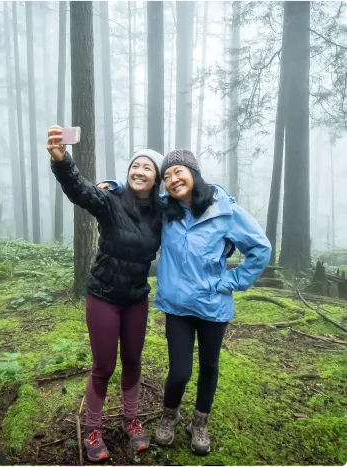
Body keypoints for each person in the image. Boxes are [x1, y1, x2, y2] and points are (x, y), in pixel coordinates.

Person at [98, 149, 271, 456]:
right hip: (178, 306)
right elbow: (140, 192)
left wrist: (231, 282)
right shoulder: (166, 209)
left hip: (213, 306)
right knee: (180, 371)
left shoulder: (225, 210)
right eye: (167, 176)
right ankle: (169, 415)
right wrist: (115, 185)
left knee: (209, 366)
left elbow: (261, 248)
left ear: (193, 173)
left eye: (178, 172)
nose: (172, 179)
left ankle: (200, 422)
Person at [47, 125, 164, 461]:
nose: (139, 171)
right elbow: (81, 190)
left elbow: (191, 203)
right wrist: (62, 161)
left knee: (132, 361)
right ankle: (93, 428)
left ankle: (131, 420)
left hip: (136, 299)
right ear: (128, 173)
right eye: (135, 166)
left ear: (156, 178)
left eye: (147, 167)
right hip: (103, 296)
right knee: (104, 366)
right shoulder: (111, 201)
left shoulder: (161, 213)